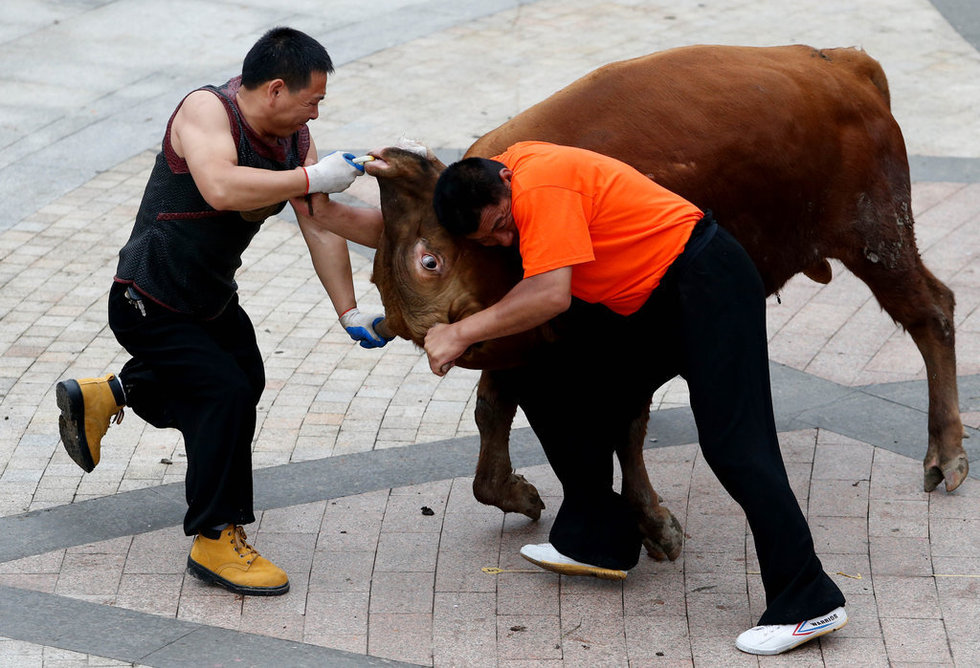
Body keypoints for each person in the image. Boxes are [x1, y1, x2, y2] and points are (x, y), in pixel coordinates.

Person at [426, 140, 847, 655]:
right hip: (655, 303)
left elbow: (550, 293)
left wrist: (460, 332)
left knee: (735, 445)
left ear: (506, 182)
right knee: (543, 375)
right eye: (492, 240)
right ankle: (598, 536)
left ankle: (808, 601)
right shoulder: (514, 171)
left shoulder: (540, 183)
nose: (508, 239)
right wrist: (328, 199)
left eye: (502, 225)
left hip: (708, 283)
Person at [55, 27, 389, 597]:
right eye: (314, 99)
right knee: (222, 395)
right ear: (277, 89)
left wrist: (348, 309)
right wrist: (312, 177)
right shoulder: (207, 111)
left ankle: (110, 393)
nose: (317, 110)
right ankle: (214, 534)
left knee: (245, 380)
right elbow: (219, 187)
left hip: (209, 300)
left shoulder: (293, 136)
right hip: (148, 299)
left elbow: (318, 222)